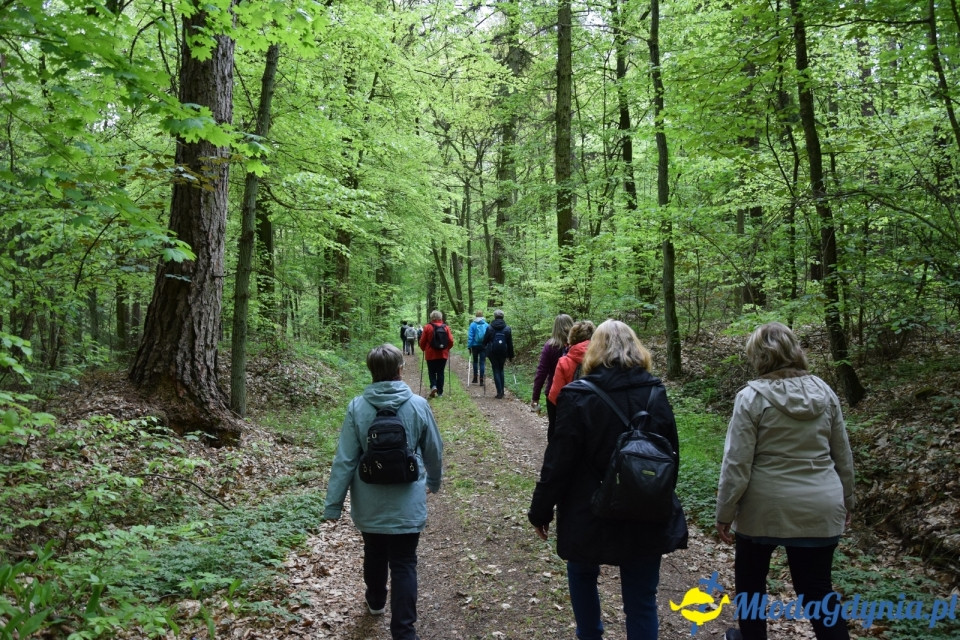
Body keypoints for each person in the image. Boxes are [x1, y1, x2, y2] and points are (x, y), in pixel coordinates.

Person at [528, 320, 687, 640]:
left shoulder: (577, 396)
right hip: (644, 509)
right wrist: (655, 493)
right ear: (636, 348)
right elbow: (671, 456)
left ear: (595, 350)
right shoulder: (655, 392)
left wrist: (540, 510)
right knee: (641, 603)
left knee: (583, 576)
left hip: (589, 512)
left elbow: (559, 461)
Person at [716, 322, 855, 640]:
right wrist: (848, 499)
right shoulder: (825, 392)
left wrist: (724, 513)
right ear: (795, 351)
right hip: (821, 504)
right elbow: (842, 455)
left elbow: (737, 464)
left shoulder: (750, 398)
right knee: (816, 591)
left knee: (751, 585)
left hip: (763, 507)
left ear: (758, 357)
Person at [323, 344, 443, 640]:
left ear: (371, 372)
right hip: (408, 501)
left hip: (369, 502)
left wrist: (333, 506)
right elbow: (434, 451)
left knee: (374, 551)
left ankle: (376, 600)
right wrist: (434, 483)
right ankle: (404, 632)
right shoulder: (418, 404)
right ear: (401, 369)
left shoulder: (357, 407)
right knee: (404, 561)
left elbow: (345, 459)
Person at [531, 313, 574, 438]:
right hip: (575, 391)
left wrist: (535, 397)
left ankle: (553, 454)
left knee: (554, 425)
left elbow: (541, 372)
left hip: (553, 393)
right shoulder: (577, 346)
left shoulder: (550, 346)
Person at [546, 320, 595, 408]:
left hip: (571, 413)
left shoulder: (564, 362)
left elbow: (555, 396)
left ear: (571, 338)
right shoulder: (603, 360)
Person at [419, 310, 453, 398]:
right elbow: (451, 341)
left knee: (432, 372)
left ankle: (433, 386)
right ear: (440, 317)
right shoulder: (446, 327)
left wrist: (424, 349)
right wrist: (447, 349)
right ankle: (440, 393)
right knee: (441, 372)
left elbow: (422, 341)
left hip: (430, 354)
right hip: (443, 354)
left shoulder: (427, 327)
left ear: (431, 317)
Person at [482, 309, 514, 399]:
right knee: (501, 370)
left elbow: (484, 341)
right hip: (503, 352)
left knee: (496, 369)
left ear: (494, 317)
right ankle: (502, 391)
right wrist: (511, 355)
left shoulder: (490, 327)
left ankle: (499, 392)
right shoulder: (507, 328)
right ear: (503, 317)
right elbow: (510, 343)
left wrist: (484, 350)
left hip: (492, 352)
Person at [467, 310, 489, 384]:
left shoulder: (473, 324)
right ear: (482, 316)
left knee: (475, 362)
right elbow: (488, 336)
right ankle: (481, 379)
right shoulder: (486, 325)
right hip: (483, 346)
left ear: (476, 316)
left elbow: (471, 336)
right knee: (482, 363)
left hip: (475, 346)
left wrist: (469, 346)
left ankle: (475, 378)